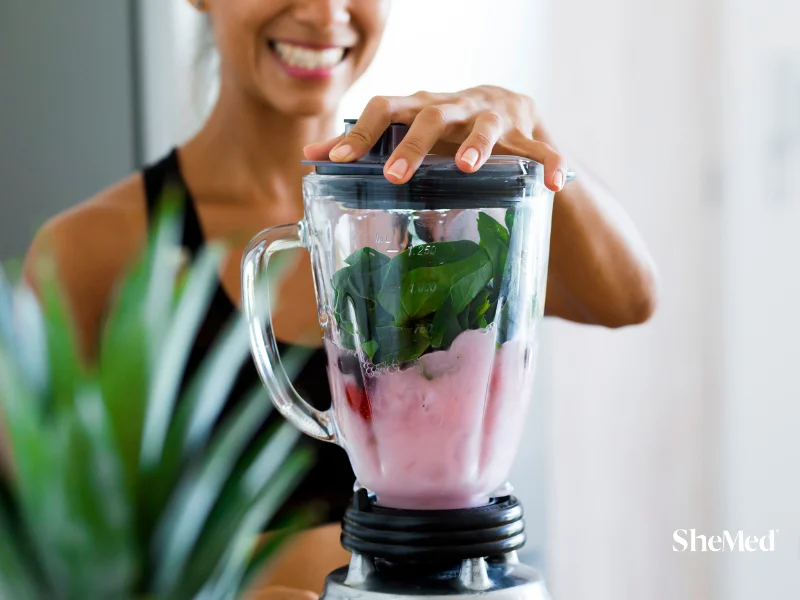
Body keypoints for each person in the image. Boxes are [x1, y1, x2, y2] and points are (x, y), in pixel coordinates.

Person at [21, 0, 658, 597]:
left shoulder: (438, 211)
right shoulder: (94, 251)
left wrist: (530, 128)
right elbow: (50, 558)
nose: (327, 13)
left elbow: (628, 298)